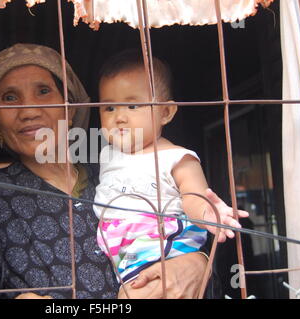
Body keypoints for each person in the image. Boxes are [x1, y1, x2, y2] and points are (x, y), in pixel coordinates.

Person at [0, 43, 210, 299]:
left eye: (43, 91)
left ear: (70, 108)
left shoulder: (114, 174)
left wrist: (197, 264)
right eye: (10, 98)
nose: (28, 111)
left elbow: (190, 243)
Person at [93, 50, 249, 298]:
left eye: (132, 105)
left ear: (165, 112)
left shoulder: (177, 158)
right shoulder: (106, 154)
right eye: (109, 107)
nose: (119, 117)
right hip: (125, 253)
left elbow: (194, 197)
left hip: (163, 244)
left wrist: (208, 213)